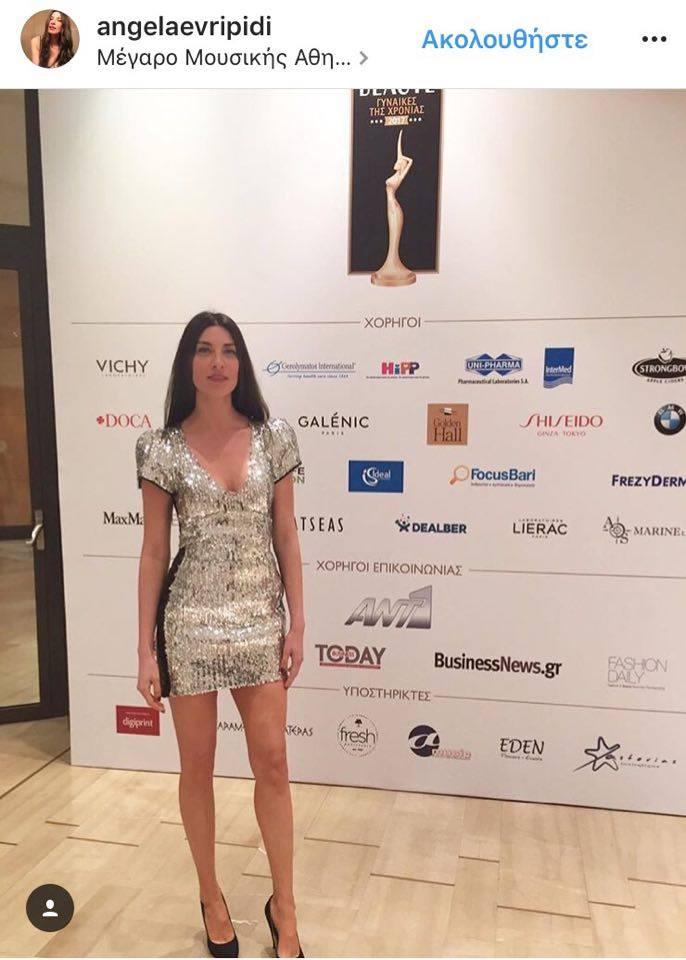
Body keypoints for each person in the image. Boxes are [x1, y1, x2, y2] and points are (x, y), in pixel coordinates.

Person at [135, 311, 305, 958]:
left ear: (242, 364)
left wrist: (297, 621)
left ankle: (284, 906)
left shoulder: (275, 438)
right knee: (197, 767)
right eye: (205, 350)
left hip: (260, 618)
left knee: (274, 761)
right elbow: (154, 551)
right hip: (190, 624)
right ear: (188, 362)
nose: (217, 362)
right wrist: (145, 649)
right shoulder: (161, 448)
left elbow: (286, 532)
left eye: (229, 351)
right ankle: (211, 896)